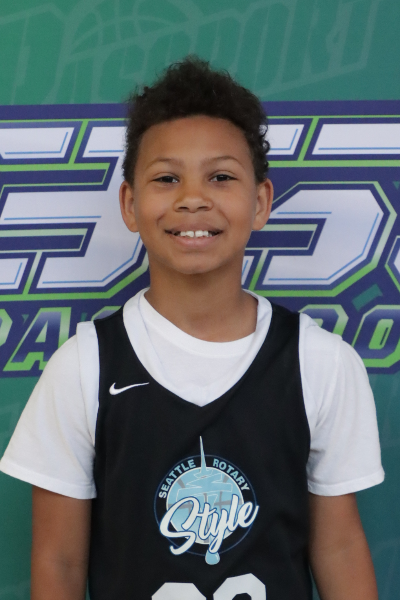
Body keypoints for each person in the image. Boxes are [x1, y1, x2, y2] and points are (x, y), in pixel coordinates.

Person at [0, 57, 384, 600]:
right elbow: (58, 563)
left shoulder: (321, 361)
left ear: (261, 202)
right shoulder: (83, 367)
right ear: (130, 204)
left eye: (221, 177)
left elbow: (339, 547)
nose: (193, 198)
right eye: (167, 178)